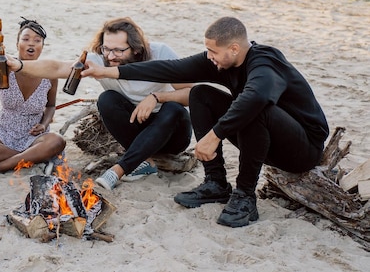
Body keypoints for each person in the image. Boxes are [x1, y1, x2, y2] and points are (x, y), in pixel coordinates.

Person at [80, 16, 329, 228]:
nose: (208, 56)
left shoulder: (265, 62)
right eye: (207, 50)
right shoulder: (220, 61)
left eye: (213, 51)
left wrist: (214, 135)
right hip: (264, 139)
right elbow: (169, 69)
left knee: (255, 106)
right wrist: (108, 72)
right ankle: (216, 183)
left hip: (302, 150)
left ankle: (244, 196)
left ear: (233, 48)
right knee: (200, 94)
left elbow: (257, 97)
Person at [4, 17, 193, 190]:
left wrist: (157, 97)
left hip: (172, 133)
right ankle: (146, 162)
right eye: (106, 49)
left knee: (173, 108)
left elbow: (192, 93)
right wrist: (19, 65)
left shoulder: (160, 53)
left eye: (119, 50)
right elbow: (58, 67)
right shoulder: (99, 60)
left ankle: (120, 169)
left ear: (136, 48)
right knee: (107, 99)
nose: (110, 56)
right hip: (136, 130)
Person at [0, 18, 66, 175]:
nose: (31, 44)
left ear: (42, 46)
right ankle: (34, 160)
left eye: (37, 40)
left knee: (57, 140)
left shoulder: (49, 73)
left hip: (34, 137)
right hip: (4, 132)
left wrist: (44, 124)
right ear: (17, 44)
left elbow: (51, 106)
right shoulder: (5, 65)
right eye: (26, 39)